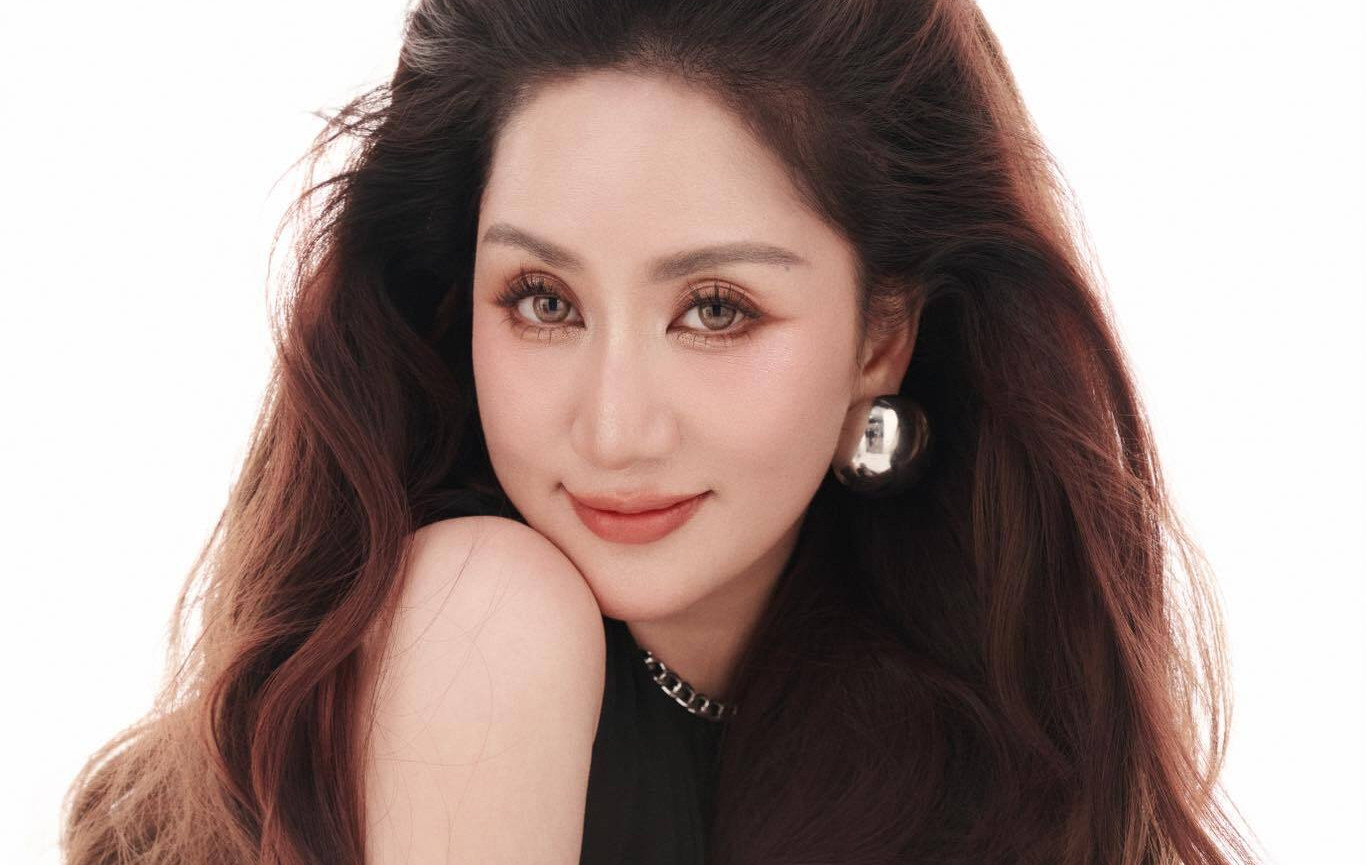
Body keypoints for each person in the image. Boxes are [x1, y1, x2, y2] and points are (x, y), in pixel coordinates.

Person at [60, 0, 1264, 862]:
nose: (613, 427)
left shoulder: (967, 713)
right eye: (543, 301)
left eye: (715, 309)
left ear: (880, 339)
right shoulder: (482, 615)